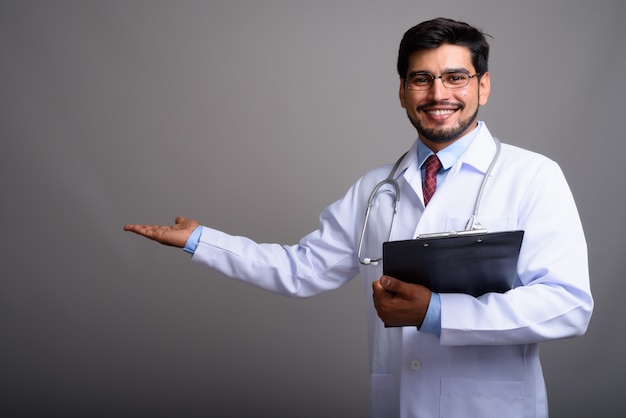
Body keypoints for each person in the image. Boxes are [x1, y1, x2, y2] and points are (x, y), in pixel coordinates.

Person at [124, 17, 593, 418]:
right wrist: (199, 239)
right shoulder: (375, 188)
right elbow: (299, 269)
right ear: (403, 92)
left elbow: (568, 304)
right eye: (421, 79)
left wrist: (437, 313)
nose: (438, 93)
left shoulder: (533, 176)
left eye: (456, 77)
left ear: (483, 86)